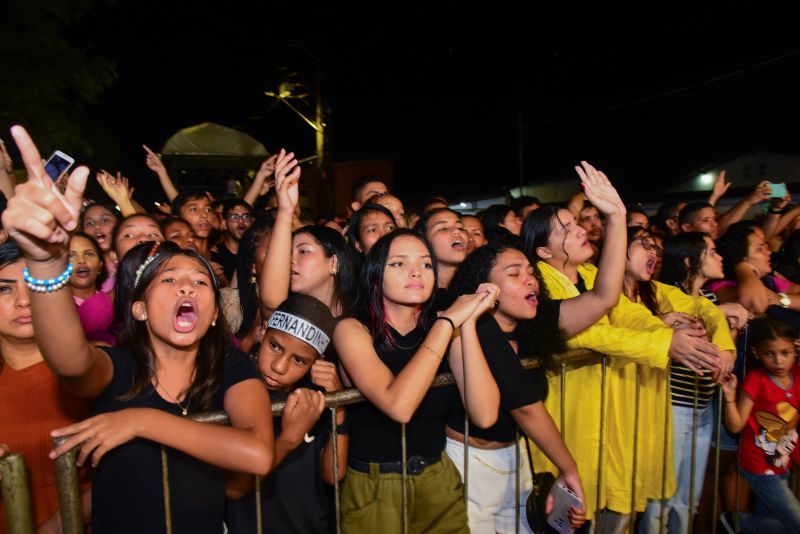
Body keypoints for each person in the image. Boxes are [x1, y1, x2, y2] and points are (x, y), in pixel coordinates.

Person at [2, 125, 274, 533]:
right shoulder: (118, 367)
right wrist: (44, 262)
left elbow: (256, 453)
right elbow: (69, 361)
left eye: (200, 282)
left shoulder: (230, 366)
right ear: (141, 310)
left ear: (215, 313)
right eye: (168, 280)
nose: (186, 285)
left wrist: (141, 421)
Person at [522, 162, 722, 527]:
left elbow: (626, 312)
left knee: (611, 507)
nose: (580, 229)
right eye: (565, 229)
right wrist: (664, 343)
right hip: (566, 417)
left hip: (608, 414)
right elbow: (589, 334)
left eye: (576, 222)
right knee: (570, 514)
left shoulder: (588, 274)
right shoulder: (542, 289)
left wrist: (661, 328)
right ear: (544, 253)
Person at [443, 163, 626, 533]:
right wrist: (569, 468)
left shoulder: (532, 323)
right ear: (483, 288)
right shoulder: (475, 327)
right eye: (513, 274)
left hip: (517, 461)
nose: (528, 278)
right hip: (469, 467)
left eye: (529, 271)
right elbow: (526, 407)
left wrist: (617, 217)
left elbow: (604, 296)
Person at [334, 229, 501, 533]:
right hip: (374, 490)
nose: (416, 272)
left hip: (438, 480)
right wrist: (448, 322)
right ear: (375, 274)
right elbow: (399, 405)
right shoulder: (352, 329)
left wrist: (468, 325)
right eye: (398, 264)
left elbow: (485, 413)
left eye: (426, 264)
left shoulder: (441, 326)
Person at [615, 228, 735, 534]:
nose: (653, 252)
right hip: (658, 407)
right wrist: (663, 329)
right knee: (652, 502)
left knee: (685, 501)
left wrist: (724, 344)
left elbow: (706, 309)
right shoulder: (605, 288)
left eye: (657, 247)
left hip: (696, 406)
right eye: (644, 245)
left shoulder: (656, 290)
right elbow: (619, 326)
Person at [226, 294, 347, 533]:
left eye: (299, 360)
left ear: (317, 362)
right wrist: (289, 438)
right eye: (275, 346)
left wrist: (339, 405)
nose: (279, 366)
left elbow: (333, 475)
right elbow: (234, 488)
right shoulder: (236, 391)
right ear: (263, 332)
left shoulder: (313, 397)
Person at [0, 242, 90, 532]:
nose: (24, 301)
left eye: (33, 285)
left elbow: (128, 471)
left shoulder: (94, 369)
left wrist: (54, 527)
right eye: (4, 289)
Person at [720, 317, 800, 533]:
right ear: (757, 353)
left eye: (785, 353)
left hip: (783, 463)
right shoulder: (756, 380)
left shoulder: (798, 376)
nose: (778, 361)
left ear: (795, 349)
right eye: (769, 354)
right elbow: (736, 426)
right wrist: (729, 396)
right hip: (758, 466)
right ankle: (739, 522)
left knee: (777, 526)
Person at [261, 150, 355, 318]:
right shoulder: (294, 316)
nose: (290, 260)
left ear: (334, 263)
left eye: (303, 251)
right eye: (290, 252)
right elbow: (271, 303)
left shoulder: (361, 319)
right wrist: (285, 211)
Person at [69, 232, 115, 346]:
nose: (81, 261)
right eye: (71, 256)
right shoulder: (56, 308)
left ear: (100, 265)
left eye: (89, 254)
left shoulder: (121, 304)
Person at [212, 199, 254, 280]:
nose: (241, 221)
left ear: (252, 221)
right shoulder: (215, 256)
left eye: (246, 217)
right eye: (234, 217)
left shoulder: (257, 253)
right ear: (224, 224)